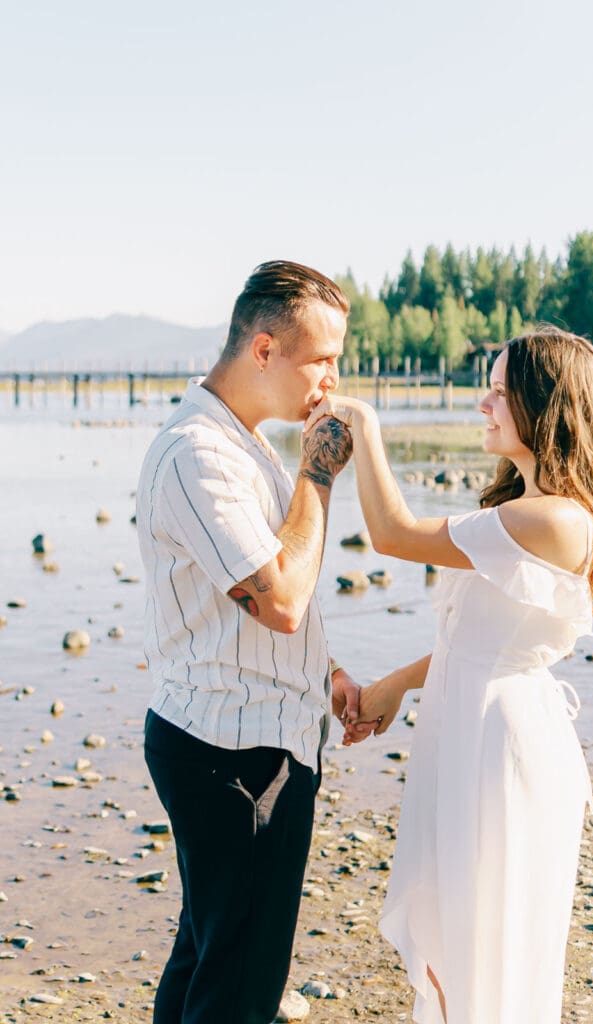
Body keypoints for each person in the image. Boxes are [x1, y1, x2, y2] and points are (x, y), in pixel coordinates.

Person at [305, 325, 593, 1024]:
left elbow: (391, 534)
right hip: (476, 723)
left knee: (492, 937)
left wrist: (364, 424)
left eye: (498, 391)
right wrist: (394, 686)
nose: (483, 405)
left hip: (500, 748)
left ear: (543, 406)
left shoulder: (549, 519)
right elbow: (478, 640)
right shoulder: (531, 509)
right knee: (466, 930)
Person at [136, 260, 375, 1024]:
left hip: (235, 733)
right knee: (240, 984)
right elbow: (281, 597)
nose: (333, 381)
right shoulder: (199, 455)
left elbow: (257, 594)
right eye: (323, 359)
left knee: (208, 953)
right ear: (264, 350)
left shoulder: (238, 443)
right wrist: (321, 471)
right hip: (233, 754)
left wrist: (327, 671)